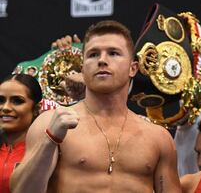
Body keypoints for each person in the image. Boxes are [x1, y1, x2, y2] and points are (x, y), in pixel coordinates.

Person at [10, 20, 181, 193]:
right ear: (82, 67)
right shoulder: (49, 123)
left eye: (113, 53)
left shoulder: (159, 138)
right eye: (93, 54)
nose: (102, 60)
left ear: (133, 68)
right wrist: (50, 140)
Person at [0, 74, 42, 193]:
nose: (5, 107)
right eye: (1, 100)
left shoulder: (47, 152)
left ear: (36, 109)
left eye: (17, 101)